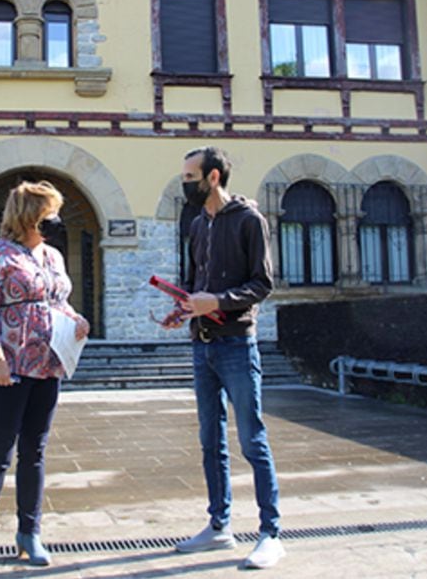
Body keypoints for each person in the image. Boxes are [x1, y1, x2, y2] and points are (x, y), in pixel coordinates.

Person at [161, 146, 285, 570]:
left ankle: (270, 533)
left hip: (236, 344)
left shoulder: (250, 221)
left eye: (190, 177)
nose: (185, 184)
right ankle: (219, 527)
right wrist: (183, 309)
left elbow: (262, 284)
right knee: (209, 441)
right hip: (202, 345)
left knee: (253, 439)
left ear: (213, 177)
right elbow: (196, 281)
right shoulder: (197, 225)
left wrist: (218, 300)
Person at [0, 180, 90, 573]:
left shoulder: (53, 256)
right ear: (28, 215)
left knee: (35, 451)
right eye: (47, 211)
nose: (54, 219)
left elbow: (58, 301)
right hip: (11, 367)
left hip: (48, 363)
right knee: (0, 450)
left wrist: (76, 319)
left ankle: (29, 533)